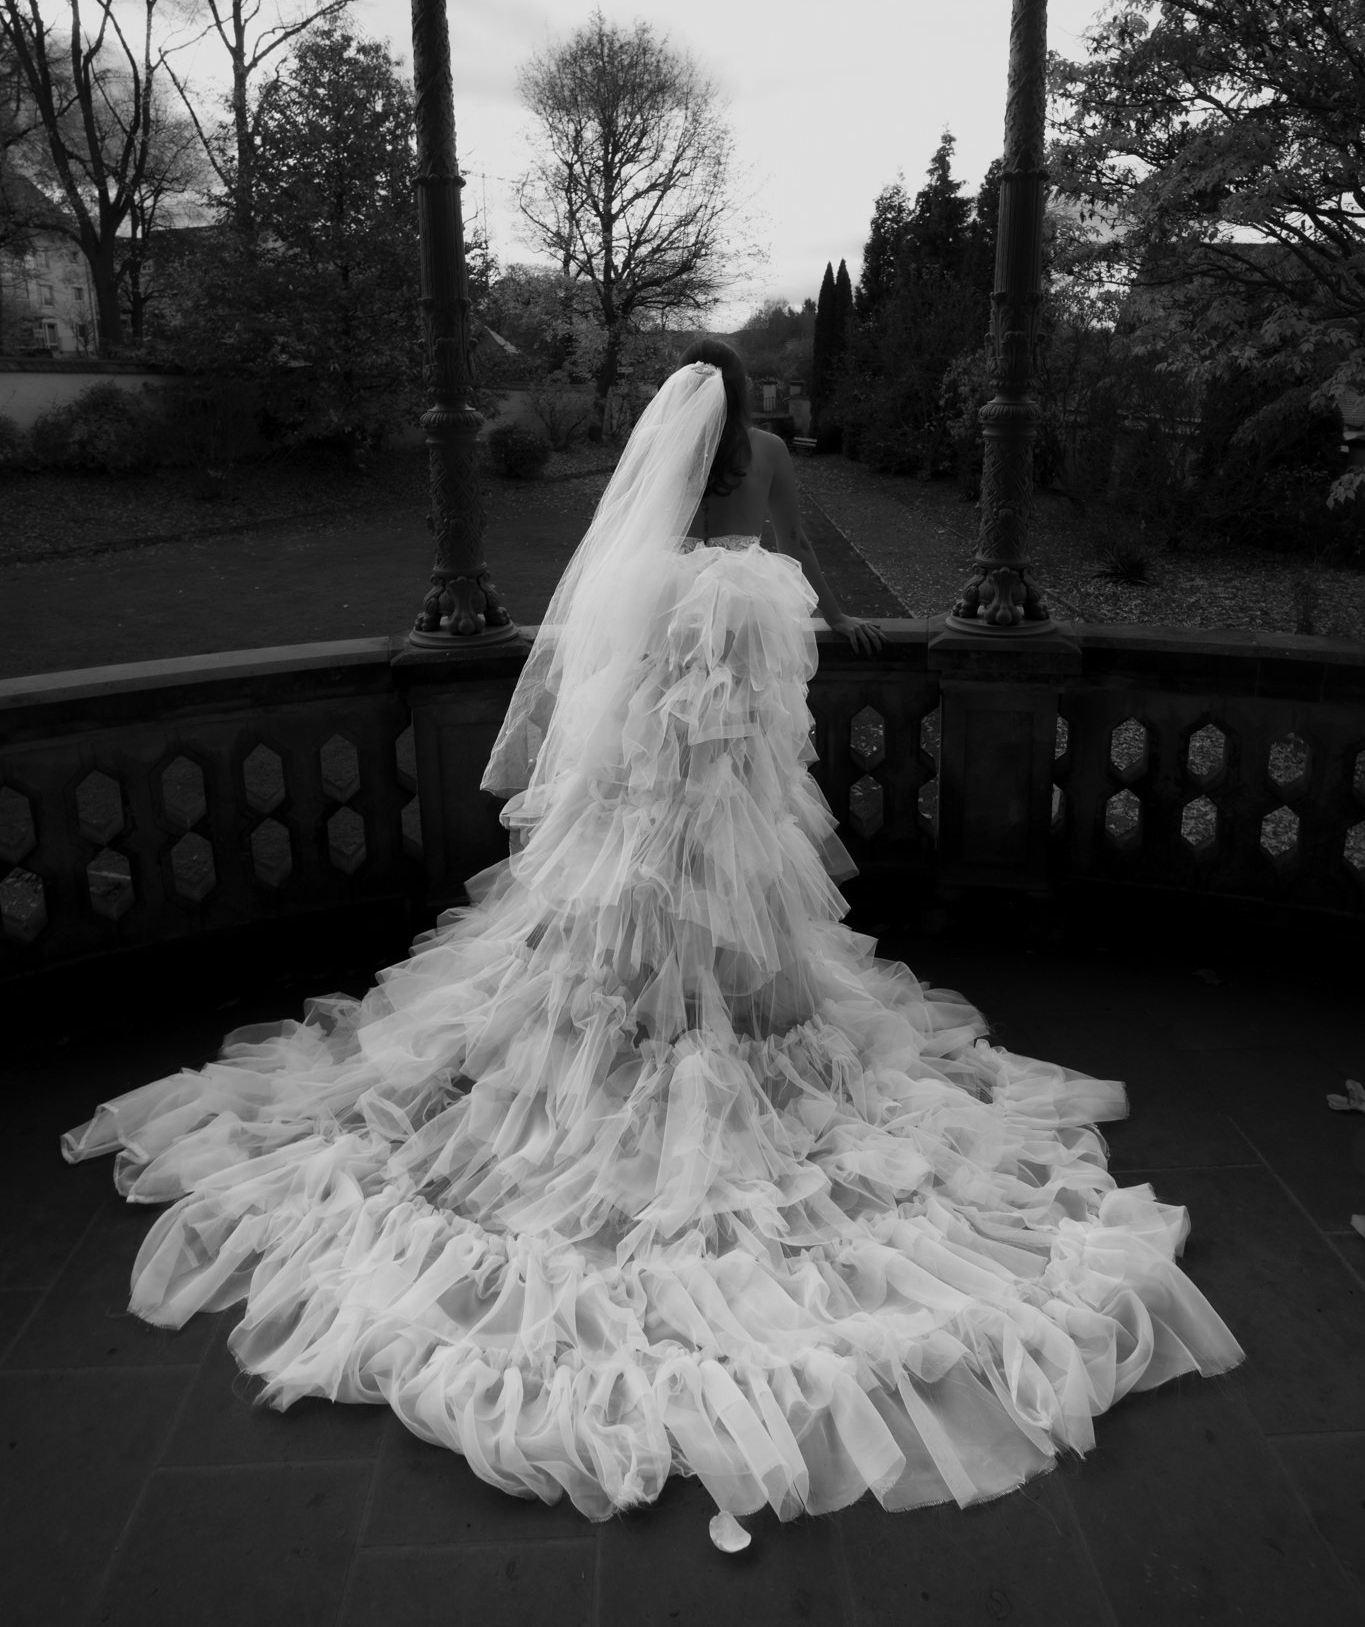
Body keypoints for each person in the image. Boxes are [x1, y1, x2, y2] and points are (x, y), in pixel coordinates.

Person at [61, 340, 1243, 1553]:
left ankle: (653, 1036)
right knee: (727, 921)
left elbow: (615, 626)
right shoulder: (774, 457)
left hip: (675, 763)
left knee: (647, 923)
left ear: (678, 413)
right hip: (724, 764)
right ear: (745, 405)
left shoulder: (665, 494)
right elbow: (796, 556)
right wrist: (834, 616)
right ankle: (696, 1038)